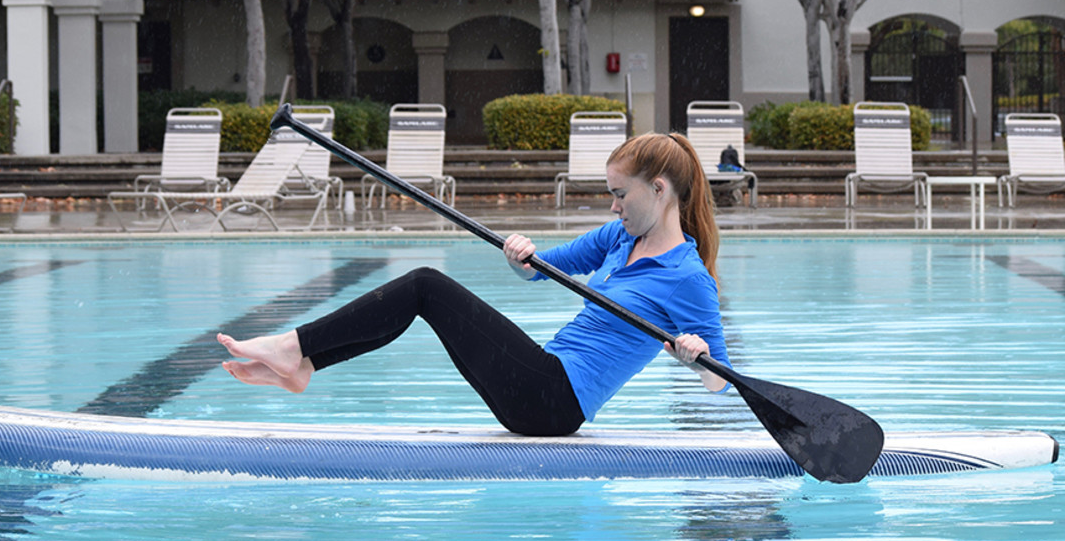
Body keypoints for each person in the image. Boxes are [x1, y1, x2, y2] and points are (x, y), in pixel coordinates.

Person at [217, 132, 730, 437]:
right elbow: (537, 269)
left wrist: (694, 354)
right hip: (542, 381)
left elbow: (720, 379)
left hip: (555, 401)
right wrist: (519, 255)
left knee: (425, 286)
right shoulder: (619, 239)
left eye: (621, 195)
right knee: (423, 296)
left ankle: (294, 348)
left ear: (659, 190)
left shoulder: (688, 277)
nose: (613, 206)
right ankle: (304, 363)